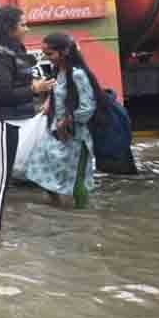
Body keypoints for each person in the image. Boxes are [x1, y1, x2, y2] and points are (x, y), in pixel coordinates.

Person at [0, 6, 54, 231]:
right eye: (23, 25)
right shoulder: (1, 56)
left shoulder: (5, 51)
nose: (27, 29)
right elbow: (1, 94)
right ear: (9, 29)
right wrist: (35, 88)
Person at [25, 33, 102, 209]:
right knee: (39, 169)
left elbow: (88, 107)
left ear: (65, 52)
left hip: (76, 136)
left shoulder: (78, 74)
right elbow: (58, 94)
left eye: (50, 54)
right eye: (44, 53)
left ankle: (83, 218)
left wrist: (67, 121)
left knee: (77, 180)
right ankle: (59, 209)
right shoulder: (57, 72)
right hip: (54, 133)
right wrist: (49, 103)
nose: (46, 58)